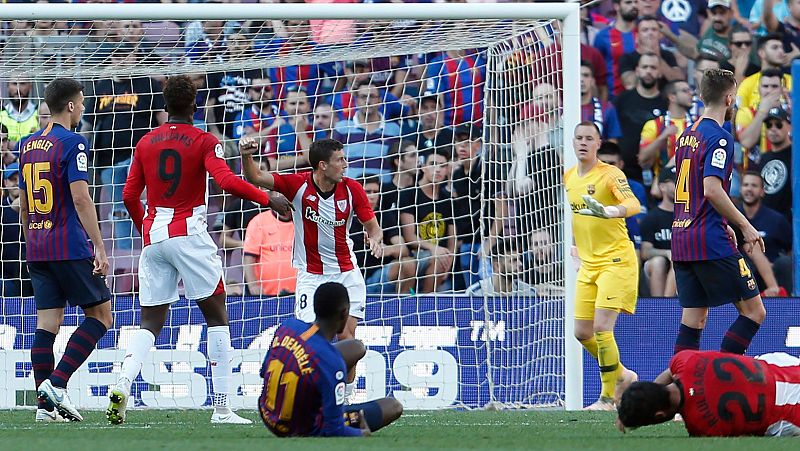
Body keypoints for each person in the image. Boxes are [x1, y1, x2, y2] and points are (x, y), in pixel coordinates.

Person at [107, 75, 293, 425]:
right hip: (189, 233)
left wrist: (145, 230)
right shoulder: (204, 140)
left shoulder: (145, 142)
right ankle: (222, 408)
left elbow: (129, 195)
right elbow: (225, 181)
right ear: (194, 105)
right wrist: (268, 197)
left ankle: (122, 383)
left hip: (155, 237)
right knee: (217, 315)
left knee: (151, 320)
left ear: (165, 106)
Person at [240, 137, 383, 402]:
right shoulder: (297, 185)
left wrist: (375, 239)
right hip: (311, 276)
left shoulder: (352, 189)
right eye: (339, 160)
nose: (345, 165)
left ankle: (344, 399)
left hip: (346, 273)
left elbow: (373, 227)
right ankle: (308, 394)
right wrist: (246, 155)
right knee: (308, 340)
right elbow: (256, 176)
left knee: (346, 336)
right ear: (322, 166)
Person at [19, 78, 112, 423]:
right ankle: (56, 385)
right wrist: (99, 246)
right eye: (83, 103)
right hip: (69, 246)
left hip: (38, 246)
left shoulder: (28, 145)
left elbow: (25, 205)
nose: (84, 108)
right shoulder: (74, 143)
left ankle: (44, 408)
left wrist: (32, 238)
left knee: (47, 324)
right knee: (102, 316)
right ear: (71, 106)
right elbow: (80, 197)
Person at [671, 68, 766, 357]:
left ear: (701, 96)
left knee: (694, 319)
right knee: (754, 312)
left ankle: (677, 389)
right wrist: (745, 226)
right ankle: (720, 378)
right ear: (730, 98)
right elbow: (711, 189)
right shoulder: (720, 137)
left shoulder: (686, 136)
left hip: (681, 238)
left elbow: (693, 192)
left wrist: (721, 220)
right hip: (707, 240)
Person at [258, 282, 403, 437]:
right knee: (393, 406)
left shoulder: (288, 326)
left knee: (357, 347)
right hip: (298, 428)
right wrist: (361, 434)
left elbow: (263, 371)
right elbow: (334, 430)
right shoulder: (333, 364)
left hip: (267, 413)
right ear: (344, 313)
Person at [565, 121, 641, 410]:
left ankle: (608, 398)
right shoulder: (569, 176)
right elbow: (577, 218)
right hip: (588, 263)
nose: (583, 143)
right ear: (573, 142)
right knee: (582, 332)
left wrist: (611, 211)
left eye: (589, 138)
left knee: (601, 328)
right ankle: (622, 375)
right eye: (578, 138)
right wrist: (575, 246)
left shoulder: (610, 175)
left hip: (616, 261)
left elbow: (633, 204)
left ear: (598, 144)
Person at [617, 350, 800, 436]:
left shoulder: (701, 426)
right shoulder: (684, 360)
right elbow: (670, 372)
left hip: (788, 412)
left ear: (659, 415)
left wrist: (635, 411)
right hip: (783, 367)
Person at [640, 168, 676, 297]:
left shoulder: (689, 216)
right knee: (658, 262)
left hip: (683, 266)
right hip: (656, 266)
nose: (679, 185)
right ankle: (660, 306)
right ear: (662, 187)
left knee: (681, 261)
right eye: (674, 181)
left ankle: (667, 309)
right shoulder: (652, 217)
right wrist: (667, 253)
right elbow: (645, 251)